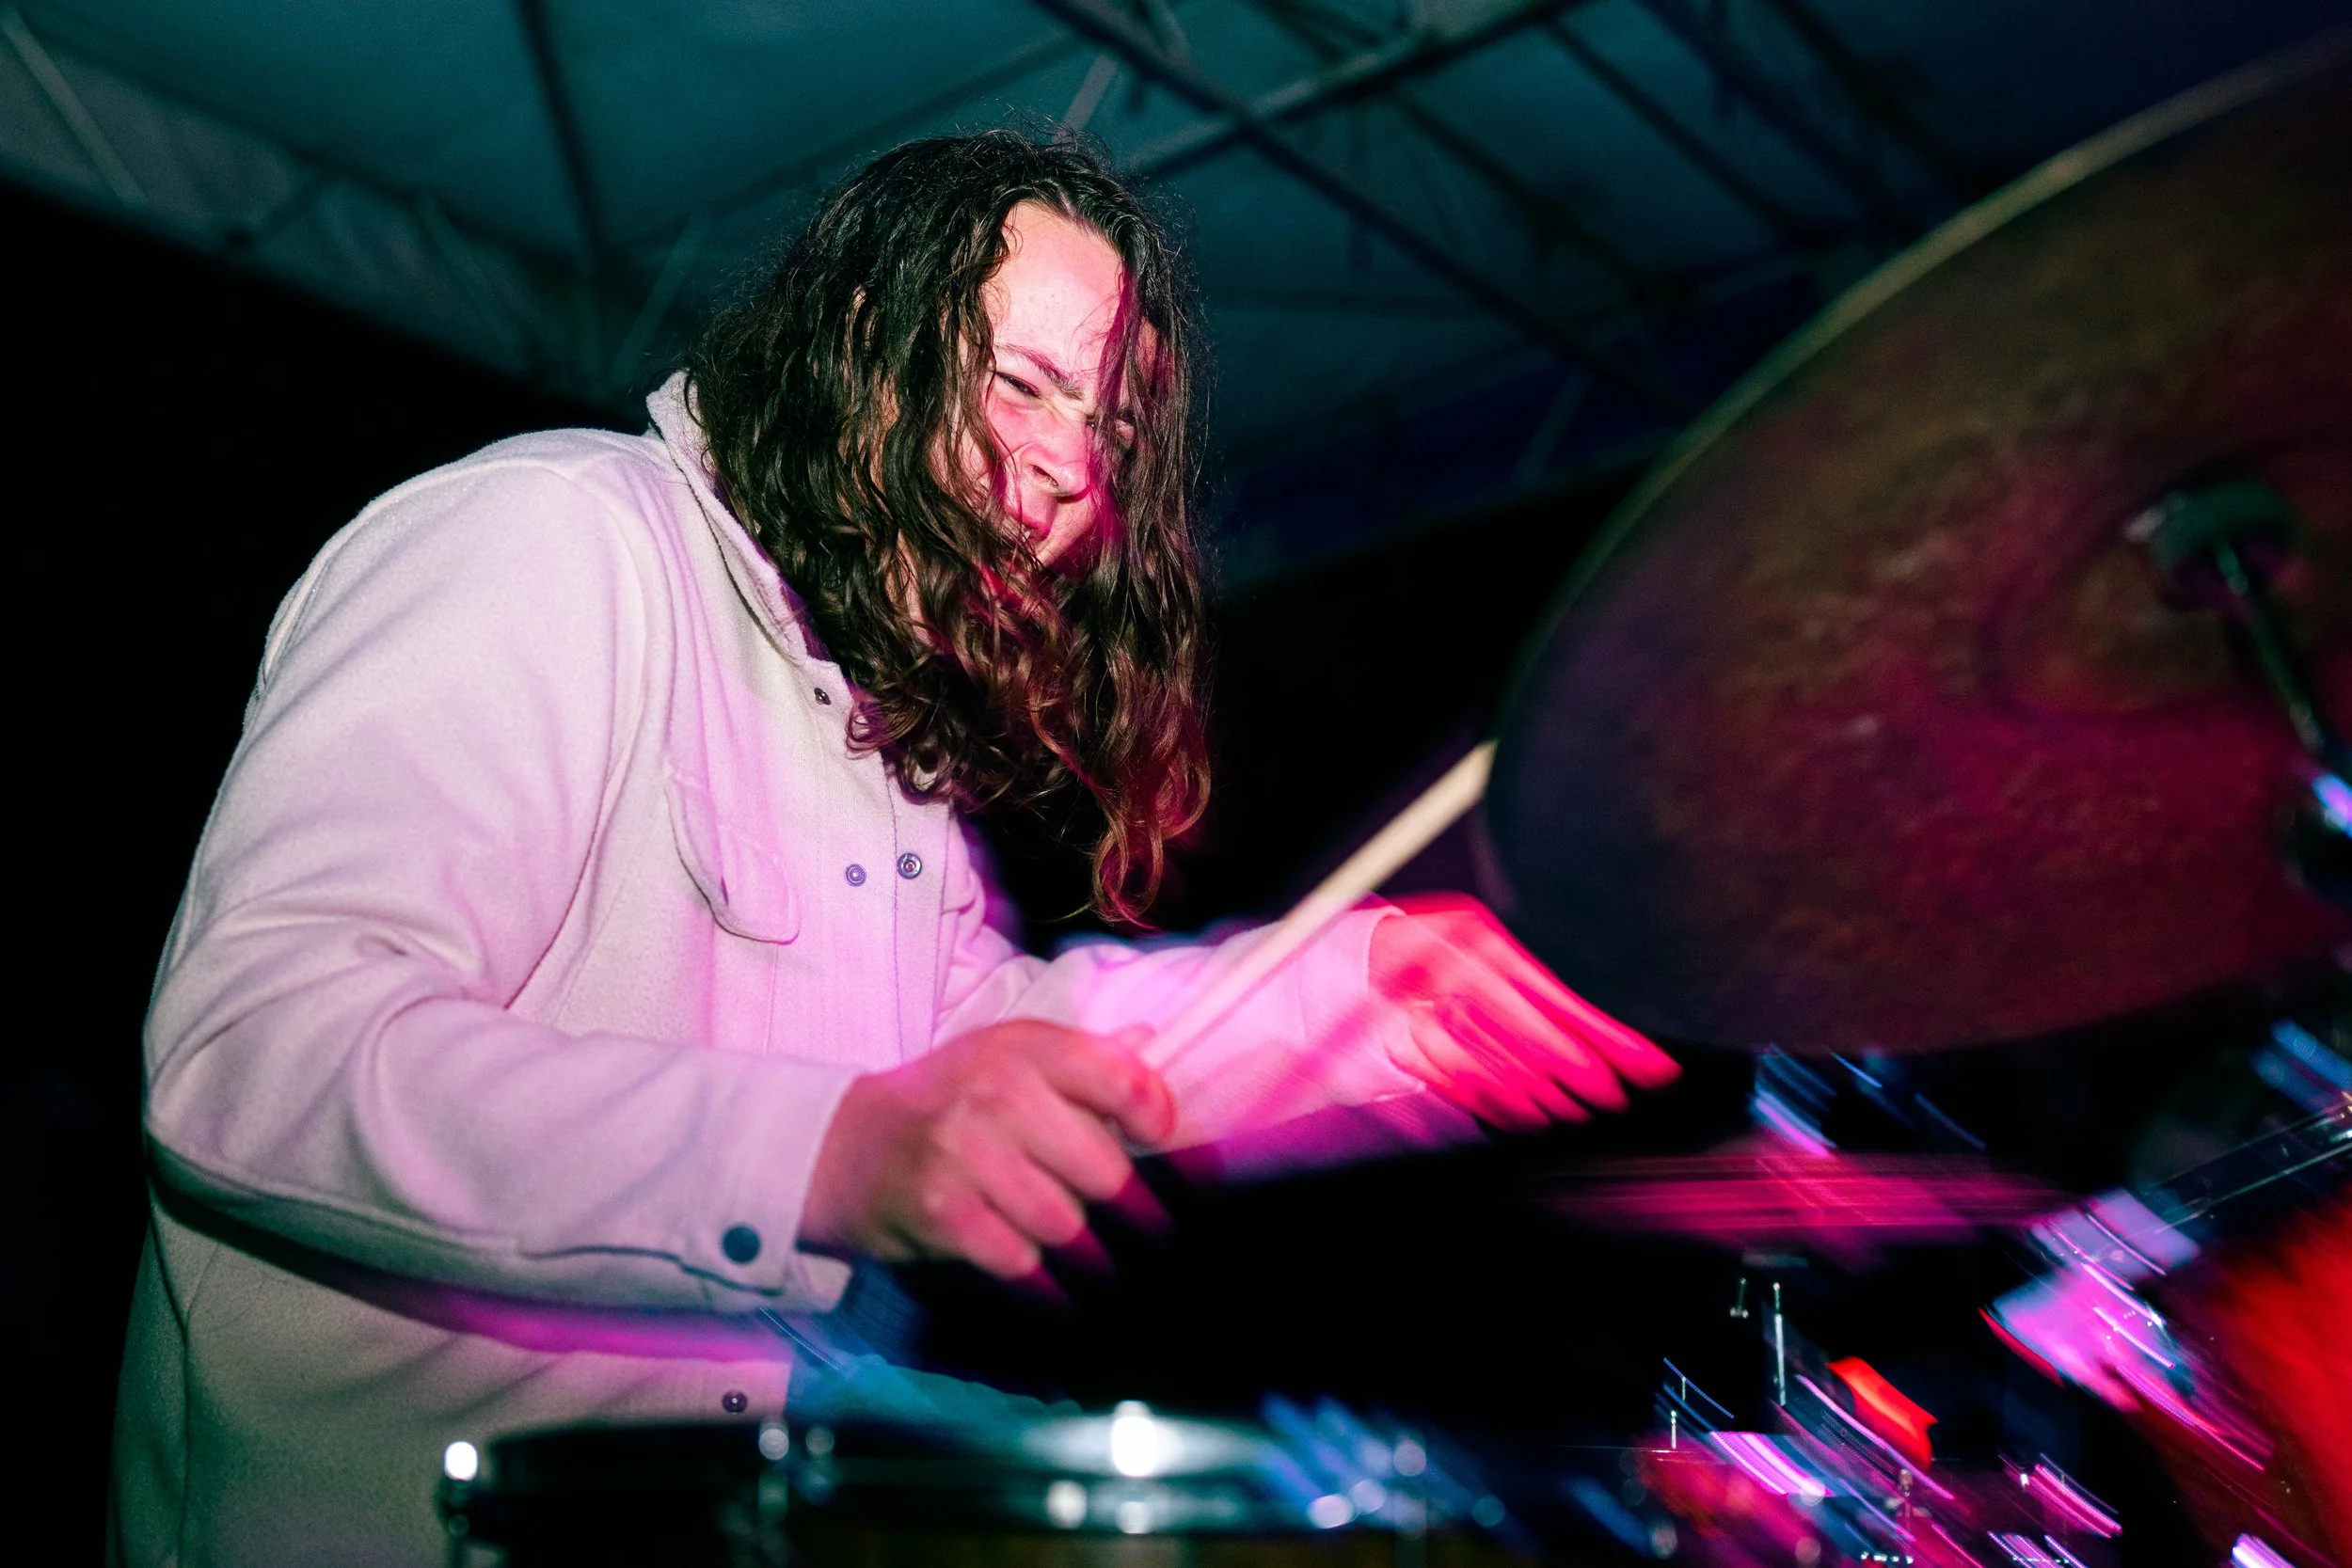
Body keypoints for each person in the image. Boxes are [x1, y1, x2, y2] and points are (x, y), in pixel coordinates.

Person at [110, 132, 1677, 1565]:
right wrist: (822, 1155)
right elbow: (260, 1050)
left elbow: (981, 1045)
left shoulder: (873, 729)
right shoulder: (557, 536)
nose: (1079, 467)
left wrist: (1346, 1001)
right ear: (860, 336)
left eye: (1109, 417)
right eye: (1020, 382)